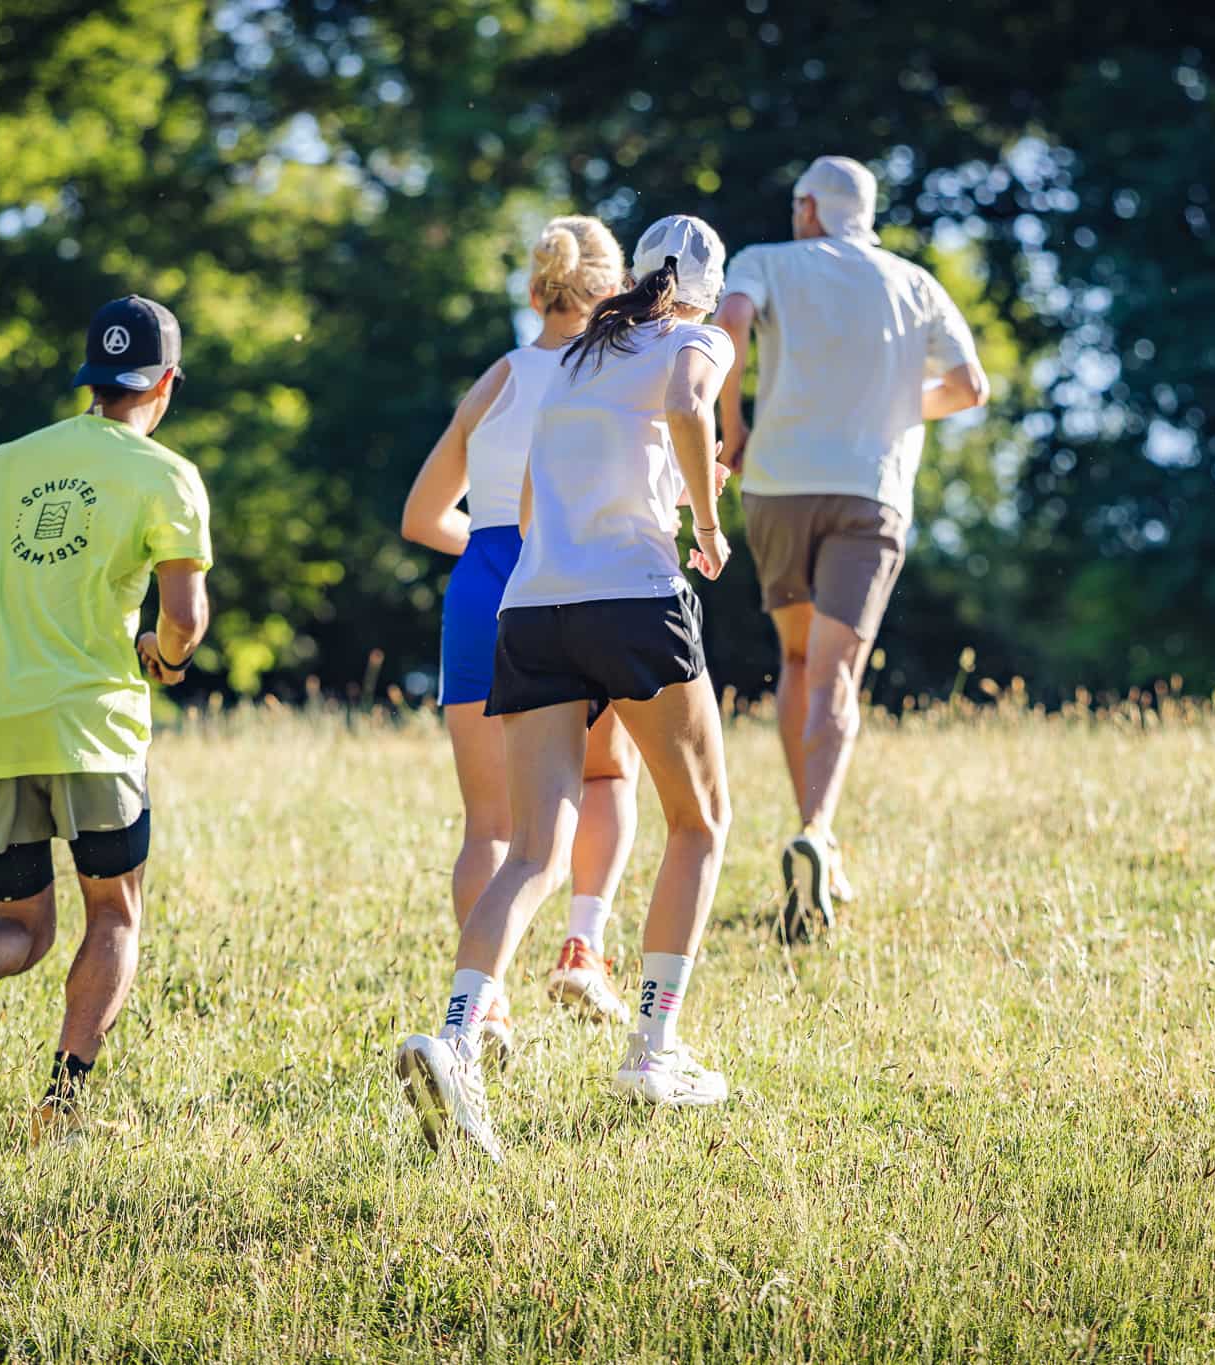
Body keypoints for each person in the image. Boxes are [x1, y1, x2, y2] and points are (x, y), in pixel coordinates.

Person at [396, 215, 736, 1162]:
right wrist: (705, 524)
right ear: (704, 290)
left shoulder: (579, 355)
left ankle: (458, 1038)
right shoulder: (694, 336)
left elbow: (540, 485)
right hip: (632, 596)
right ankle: (653, 1049)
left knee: (529, 848)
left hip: (531, 606)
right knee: (701, 821)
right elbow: (689, 401)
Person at [0, 294, 211, 1141]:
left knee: (18, 925)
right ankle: (60, 1108)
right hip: (91, 723)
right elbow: (183, 614)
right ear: (166, 382)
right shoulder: (165, 474)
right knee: (113, 912)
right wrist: (166, 659)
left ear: (92, 379)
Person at [714, 155, 990, 943]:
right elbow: (971, 386)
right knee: (837, 670)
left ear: (808, 206)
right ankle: (819, 829)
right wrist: (896, 409)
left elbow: (730, 320)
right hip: (871, 491)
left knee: (797, 662)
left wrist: (734, 426)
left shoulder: (766, 260)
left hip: (778, 482)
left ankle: (818, 845)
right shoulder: (915, 283)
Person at [401, 216, 646, 1046]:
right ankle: (585, 944)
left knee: (490, 824)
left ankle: (488, 1001)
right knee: (609, 777)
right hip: (580, 575)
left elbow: (421, 515)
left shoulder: (497, 379)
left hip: (481, 583)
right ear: (613, 287)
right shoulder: (619, 369)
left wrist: (490, 545)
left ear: (536, 288)